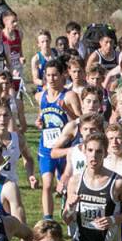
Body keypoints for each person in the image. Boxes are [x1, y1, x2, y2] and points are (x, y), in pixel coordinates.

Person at [36, 59, 82, 217]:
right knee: (47, 184)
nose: (51, 79)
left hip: (65, 147)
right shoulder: (41, 96)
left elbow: (80, 121)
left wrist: (67, 110)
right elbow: (42, 116)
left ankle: (68, 208)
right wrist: (39, 122)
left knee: (68, 183)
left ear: (63, 75)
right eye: (48, 75)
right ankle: (47, 218)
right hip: (46, 147)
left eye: (55, 75)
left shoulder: (69, 95)